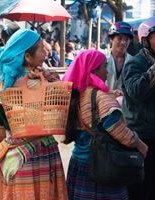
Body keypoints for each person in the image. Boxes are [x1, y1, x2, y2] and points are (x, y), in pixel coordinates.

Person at [62, 50, 148, 200]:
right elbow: (115, 127)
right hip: (102, 164)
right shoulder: (101, 97)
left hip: (78, 163)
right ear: (93, 70)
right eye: (104, 67)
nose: (107, 71)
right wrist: (138, 143)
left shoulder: (76, 94)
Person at [0, 29, 68, 199]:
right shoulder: (36, 81)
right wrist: (50, 80)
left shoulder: (7, 80)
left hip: (13, 149)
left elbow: (1, 120)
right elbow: (56, 109)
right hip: (37, 152)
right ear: (28, 57)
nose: (46, 51)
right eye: (42, 49)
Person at [121, 16, 155, 200]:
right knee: (142, 189)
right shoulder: (135, 63)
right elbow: (136, 91)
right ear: (146, 40)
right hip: (142, 136)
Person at [106, 22, 133, 100]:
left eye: (126, 39)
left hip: (126, 107)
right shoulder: (102, 59)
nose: (123, 42)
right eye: (120, 38)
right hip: (103, 104)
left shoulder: (133, 62)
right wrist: (110, 92)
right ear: (111, 39)